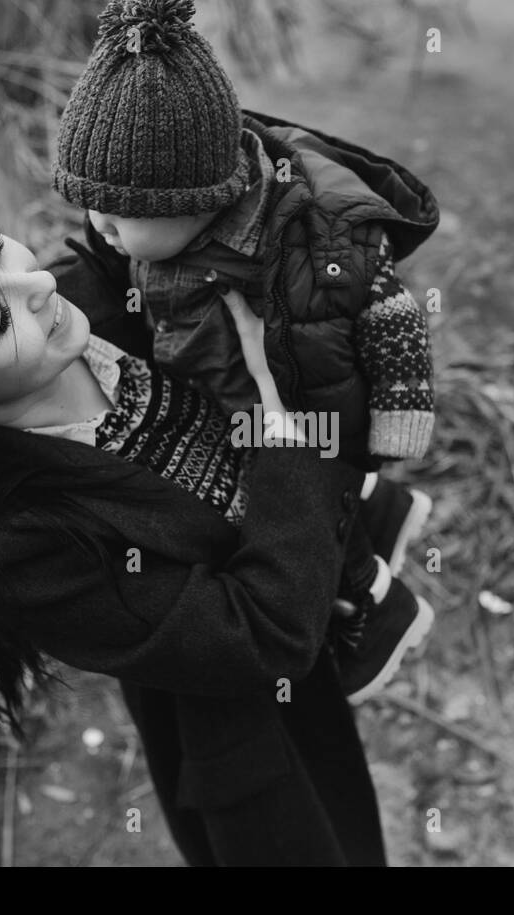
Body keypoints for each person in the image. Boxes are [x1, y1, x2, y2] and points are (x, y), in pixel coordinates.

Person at [0, 210, 393, 864]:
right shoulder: (8, 549)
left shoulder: (97, 291)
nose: (33, 283)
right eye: (0, 320)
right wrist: (286, 416)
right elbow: (262, 630)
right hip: (249, 732)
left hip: (319, 603)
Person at [52, 0, 440, 701]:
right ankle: (386, 509)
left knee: (305, 510)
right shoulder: (170, 228)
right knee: (298, 485)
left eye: (117, 216)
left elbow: (390, 309)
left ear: (196, 200)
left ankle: (377, 607)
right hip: (226, 394)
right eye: (91, 208)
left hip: (311, 406)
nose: (100, 228)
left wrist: (400, 414)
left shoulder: (312, 238)